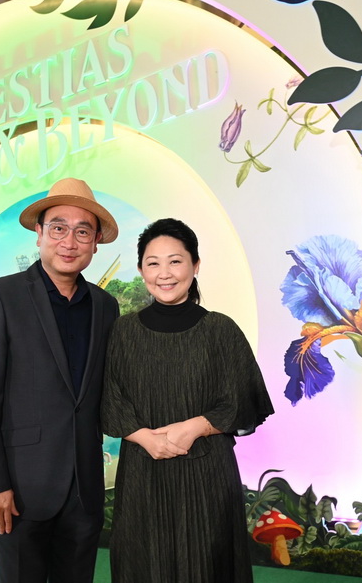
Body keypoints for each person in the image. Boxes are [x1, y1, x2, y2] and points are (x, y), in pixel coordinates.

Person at [0, 177, 120, 583]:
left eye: (82, 231)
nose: (69, 241)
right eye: (58, 228)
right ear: (39, 233)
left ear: (95, 242)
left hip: (84, 491)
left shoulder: (106, 307)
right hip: (18, 491)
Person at [101, 217, 274, 583]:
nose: (164, 273)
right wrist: (145, 438)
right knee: (144, 565)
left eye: (175, 261)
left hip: (207, 473)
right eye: (153, 263)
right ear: (141, 270)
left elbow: (244, 399)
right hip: (143, 472)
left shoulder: (221, 330)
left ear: (195, 266)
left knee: (206, 565)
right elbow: (109, 398)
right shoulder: (123, 332)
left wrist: (196, 427)